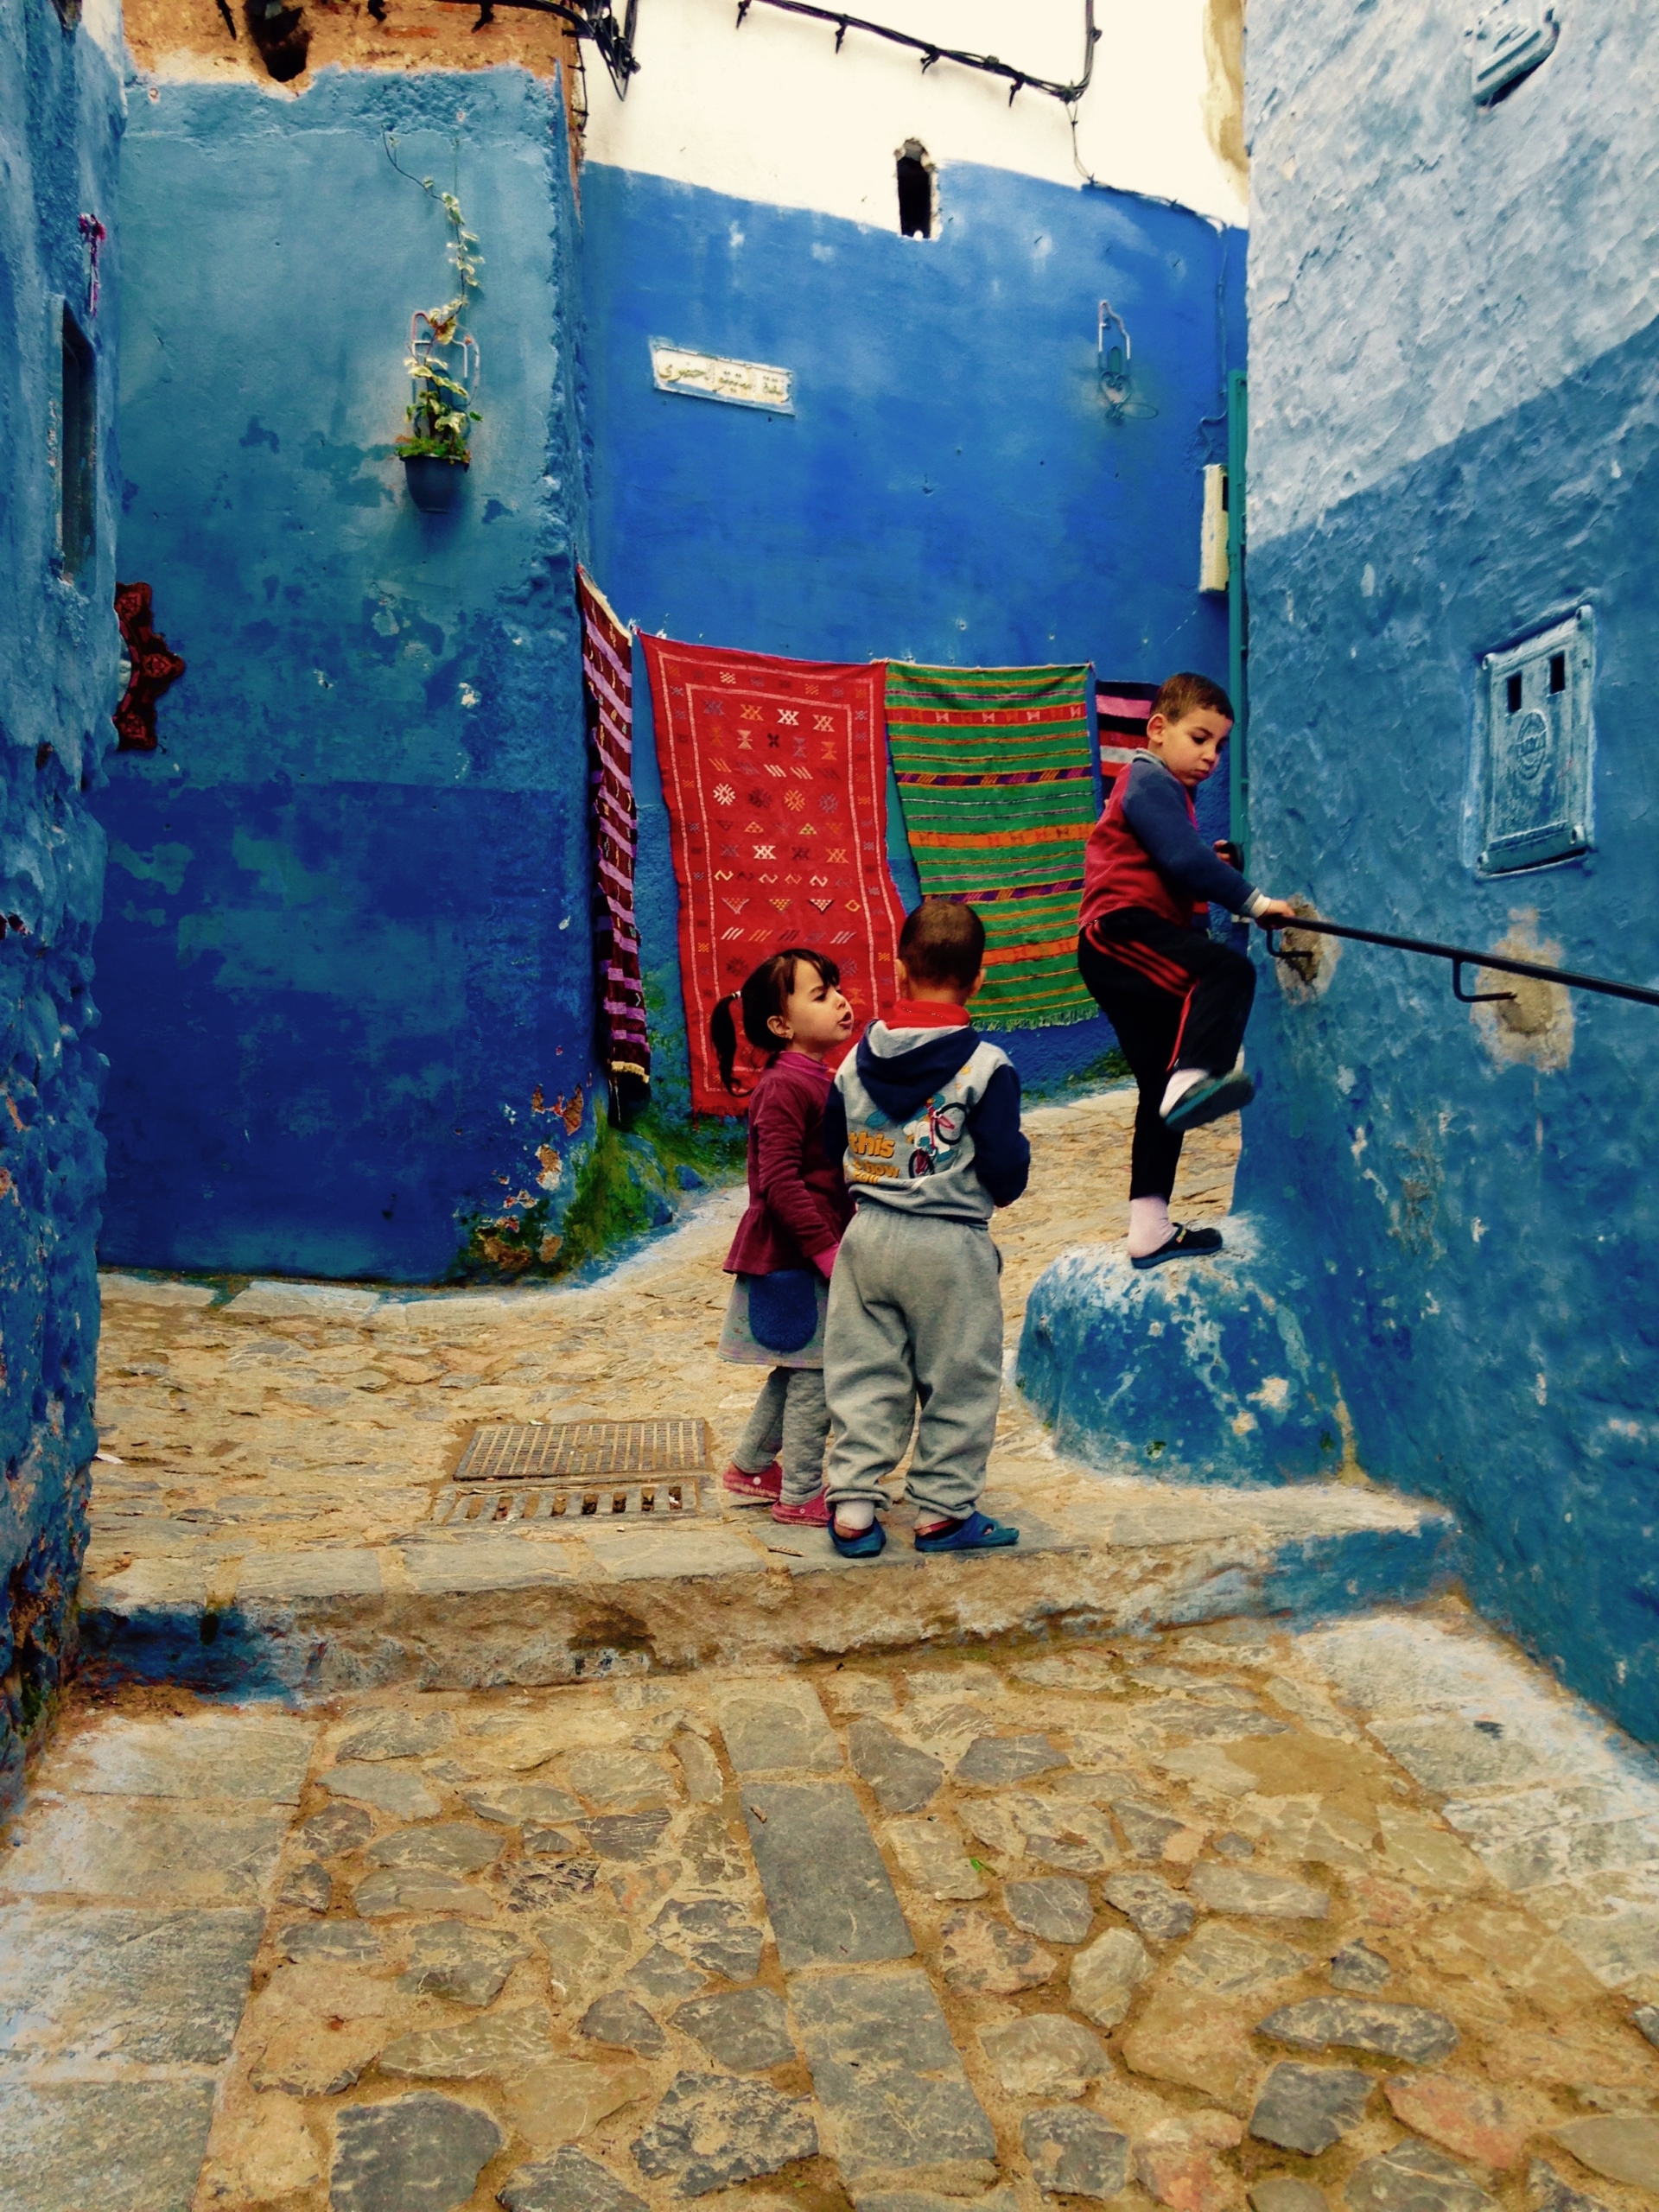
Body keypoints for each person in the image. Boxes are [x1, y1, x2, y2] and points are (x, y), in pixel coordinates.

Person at [817, 897, 1029, 1560]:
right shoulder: (988, 1067)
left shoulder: (852, 1063)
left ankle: (853, 1507)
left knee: (863, 1371)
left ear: (899, 970)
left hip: (869, 1237)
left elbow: (830, 1146)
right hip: (950, 1247)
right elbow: (1005, 1173)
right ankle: (942, 1511)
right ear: (980, 977)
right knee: (961, 1376)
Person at [1077, 671, 1297, 1269]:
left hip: (1128, 940)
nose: (1211, 756)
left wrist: (1210, 861)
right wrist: (1256, 902)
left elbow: (1177, 864)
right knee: (1227, 973)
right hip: (1118, 933)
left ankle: (1150, 1228)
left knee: (1156, 1093)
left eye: (1220, 746)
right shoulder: (1147, 778)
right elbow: (1178, 858)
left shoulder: (1170, 796)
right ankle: (1194, 1078)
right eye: (1200, 738)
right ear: (1157, 729)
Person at [712, 948, 855, 1526]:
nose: (840, 1001)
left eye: (836, 989)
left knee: (798, 1364)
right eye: (820, 995)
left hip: (804, 1254)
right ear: (781, 1025)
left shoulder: (815, 1079)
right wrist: (825, 1250)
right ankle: (799, 1492)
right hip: (794, 1256)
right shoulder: (784, 1088)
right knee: (817, 1372)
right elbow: (777, 1180)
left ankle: (751, 1464)